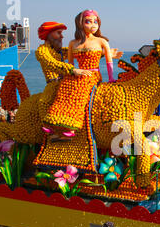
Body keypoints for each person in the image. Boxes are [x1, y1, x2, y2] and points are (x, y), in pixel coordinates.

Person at [43, 10, 116, 139]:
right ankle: (53, 121)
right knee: (64, 87)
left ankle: (72, 125)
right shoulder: (73, 43)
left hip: (92, 74)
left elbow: (109, 62)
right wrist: (70, 73)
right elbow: (70, 63)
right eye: (88, 21)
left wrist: (111, 78)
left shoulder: (101, 42)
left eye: (95, 22)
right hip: (79, 73)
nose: (93, 25)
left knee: (80, 90)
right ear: (80, 23)